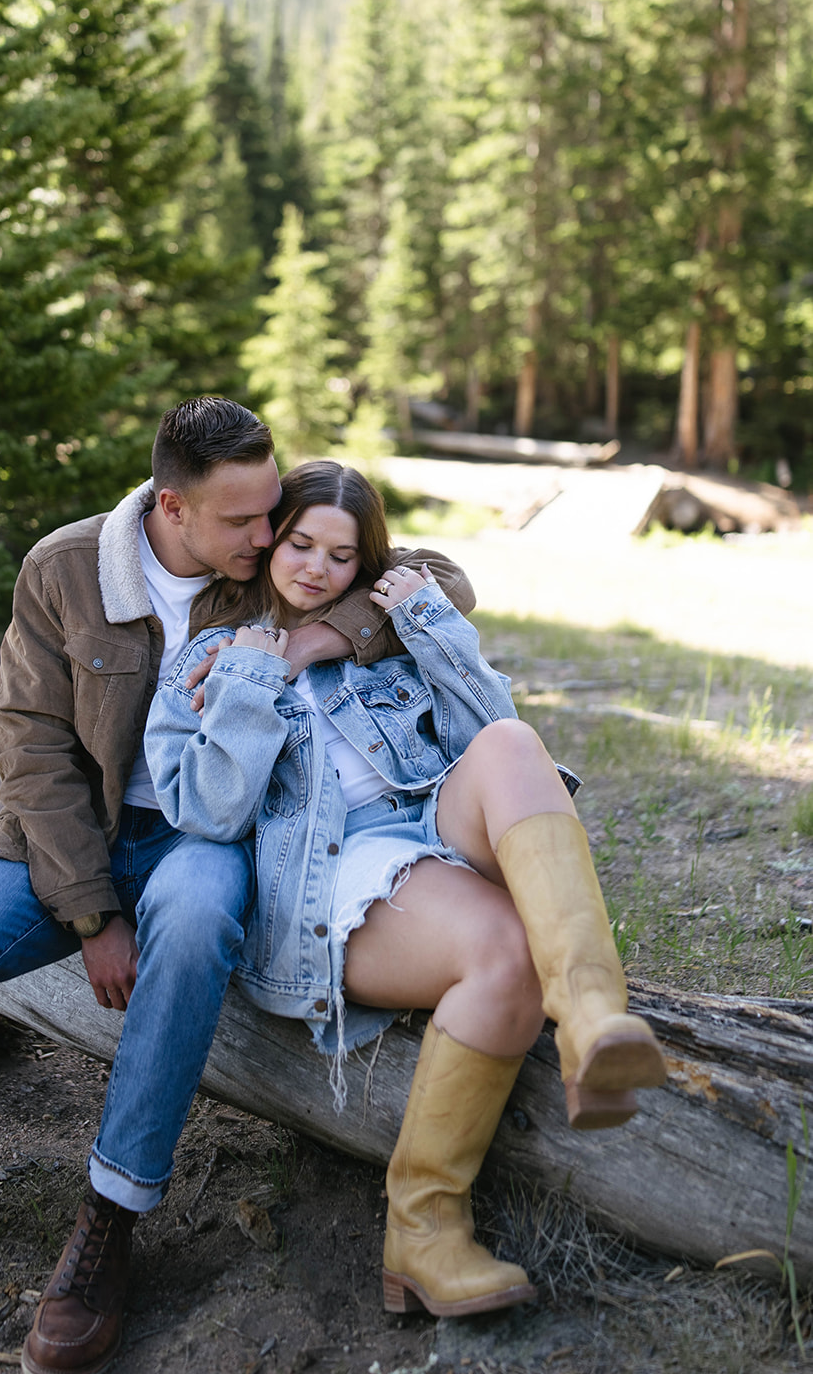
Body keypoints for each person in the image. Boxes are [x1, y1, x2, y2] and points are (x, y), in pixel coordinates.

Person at [0, 401, 475, 1374]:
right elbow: (29, 748)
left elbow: (438, 579)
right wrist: (93, 914)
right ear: (171, 505)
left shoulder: (269, 558)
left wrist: (327, 637)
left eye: (270, 512)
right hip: (62, 838)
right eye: (242, 521)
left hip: (203, 831)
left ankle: (111, 1214)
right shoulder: (64, 567)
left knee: (194, 921)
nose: (268, 536)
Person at [146, 460, 667, 1320]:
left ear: (363, 565)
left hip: (433, 817)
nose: (315, 568)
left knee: (504, 739)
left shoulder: (375, 633)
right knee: (501, 955)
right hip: (334, 872)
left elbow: (483, 727)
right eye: (300, 543)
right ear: (269, 539)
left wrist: (424, 622)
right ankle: (423, 1233)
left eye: (341, 556)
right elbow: (206, 812)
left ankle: (593, 1020)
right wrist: (249, 681)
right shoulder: (207, 663)